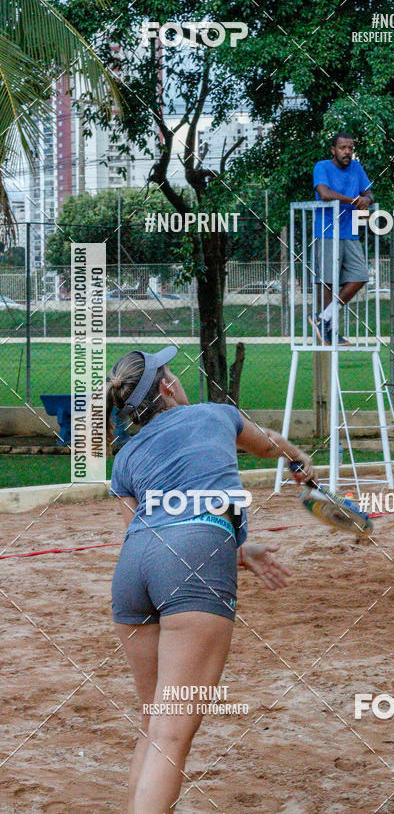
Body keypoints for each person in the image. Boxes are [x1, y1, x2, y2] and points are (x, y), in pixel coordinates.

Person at [106, 346, 316, 812]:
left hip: (134, 569)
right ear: (166, 388)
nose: (177, 378)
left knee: (154, 723)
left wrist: (236, 548)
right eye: (172, 373)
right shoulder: (212, 414)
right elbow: (268, 445)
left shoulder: (125, 457)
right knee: (171, 734)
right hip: (191, 559)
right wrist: (299, 459)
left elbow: (150, 530)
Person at [309, 131, 373, 345]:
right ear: (333, 150)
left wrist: (366, 199)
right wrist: (355, 200)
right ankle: (329, 330)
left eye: (350, 148)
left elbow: (370, 194)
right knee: (328, 281)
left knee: (360, 276)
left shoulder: (356, 167)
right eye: (343, 148)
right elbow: (325, 193)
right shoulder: (322, 167)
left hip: (350, 232)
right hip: (327, 232)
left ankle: (323, 318)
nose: (347, 152)